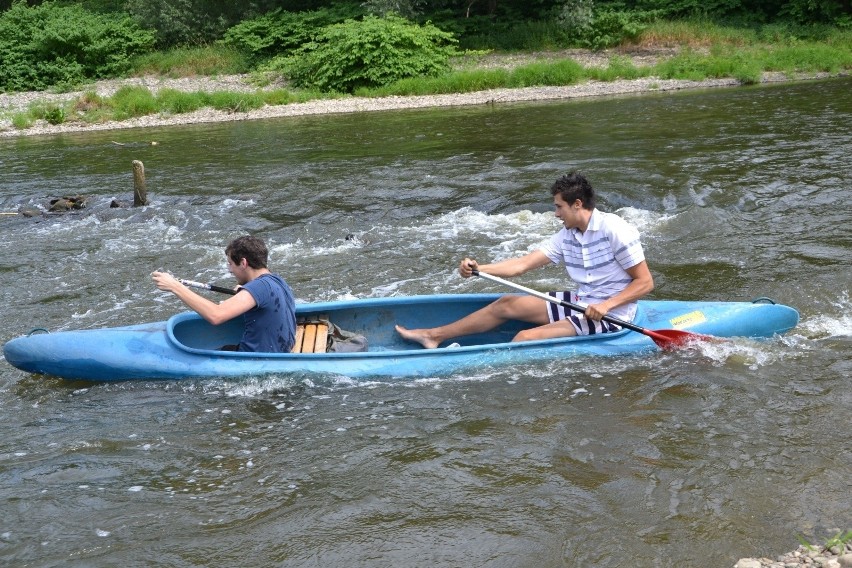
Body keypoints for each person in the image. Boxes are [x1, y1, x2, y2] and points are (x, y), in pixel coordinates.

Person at [395, 171, 654, 348]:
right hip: (582, 302)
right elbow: (521, 265)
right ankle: (434, 335)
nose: (555, 214)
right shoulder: (567, 235)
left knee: (523, 338)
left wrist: (608, 305)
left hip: (612, 315)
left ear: (577, 204)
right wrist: (479, 269)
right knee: (506, 304)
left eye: (558, 207)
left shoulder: (615, 230)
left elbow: (644, 282)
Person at [152, 235, 296, 353]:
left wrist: (175, 287)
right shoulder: (277, 280)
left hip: (253, 360)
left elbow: (216, 316)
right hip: (277, 350)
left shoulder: (258, 287)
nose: (230, 270)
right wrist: (245, 291)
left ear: (243, 263)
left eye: (230, 263)